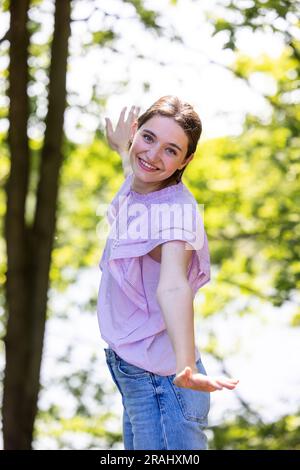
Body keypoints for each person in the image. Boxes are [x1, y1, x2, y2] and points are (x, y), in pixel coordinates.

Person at [97, 96, 238, 450]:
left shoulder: (177, 213)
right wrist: (121, 148)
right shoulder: (142, 184)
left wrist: (186, 368)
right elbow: (137, 174)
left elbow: (174, 287)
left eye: (171, 150)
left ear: (186, 160)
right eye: (148, 138)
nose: (153, 155)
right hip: (136, 373)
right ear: (135, 134)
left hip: (162, 385)